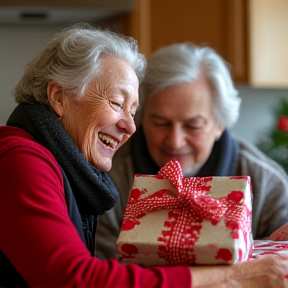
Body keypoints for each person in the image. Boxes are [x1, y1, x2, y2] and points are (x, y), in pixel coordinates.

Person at [1, 24, 288, 288]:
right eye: (116, 103)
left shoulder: (69, 169)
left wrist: (264, 249)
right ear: (58, 97)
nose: (129, 127)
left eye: (132, 111)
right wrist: (229, 277)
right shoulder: (20, 161)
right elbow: (78, 278)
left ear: (219, 126)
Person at [96, 42, 288, 261]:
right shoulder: (110, 175)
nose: (175, 142)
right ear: (139, 116)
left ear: (219, 125)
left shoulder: (267, 184)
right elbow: (102, 270)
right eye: (160, 123)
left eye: (193, 126)